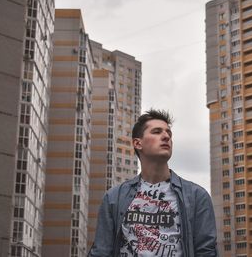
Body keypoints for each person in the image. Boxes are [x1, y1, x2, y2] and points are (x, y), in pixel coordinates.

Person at [88, 109, 218, 256]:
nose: (166, 136)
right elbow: (101, 251)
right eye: (157, 132)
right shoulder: (114, 198)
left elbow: (206, 252)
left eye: (169, 133)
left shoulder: (196, 197)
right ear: (138, 143)